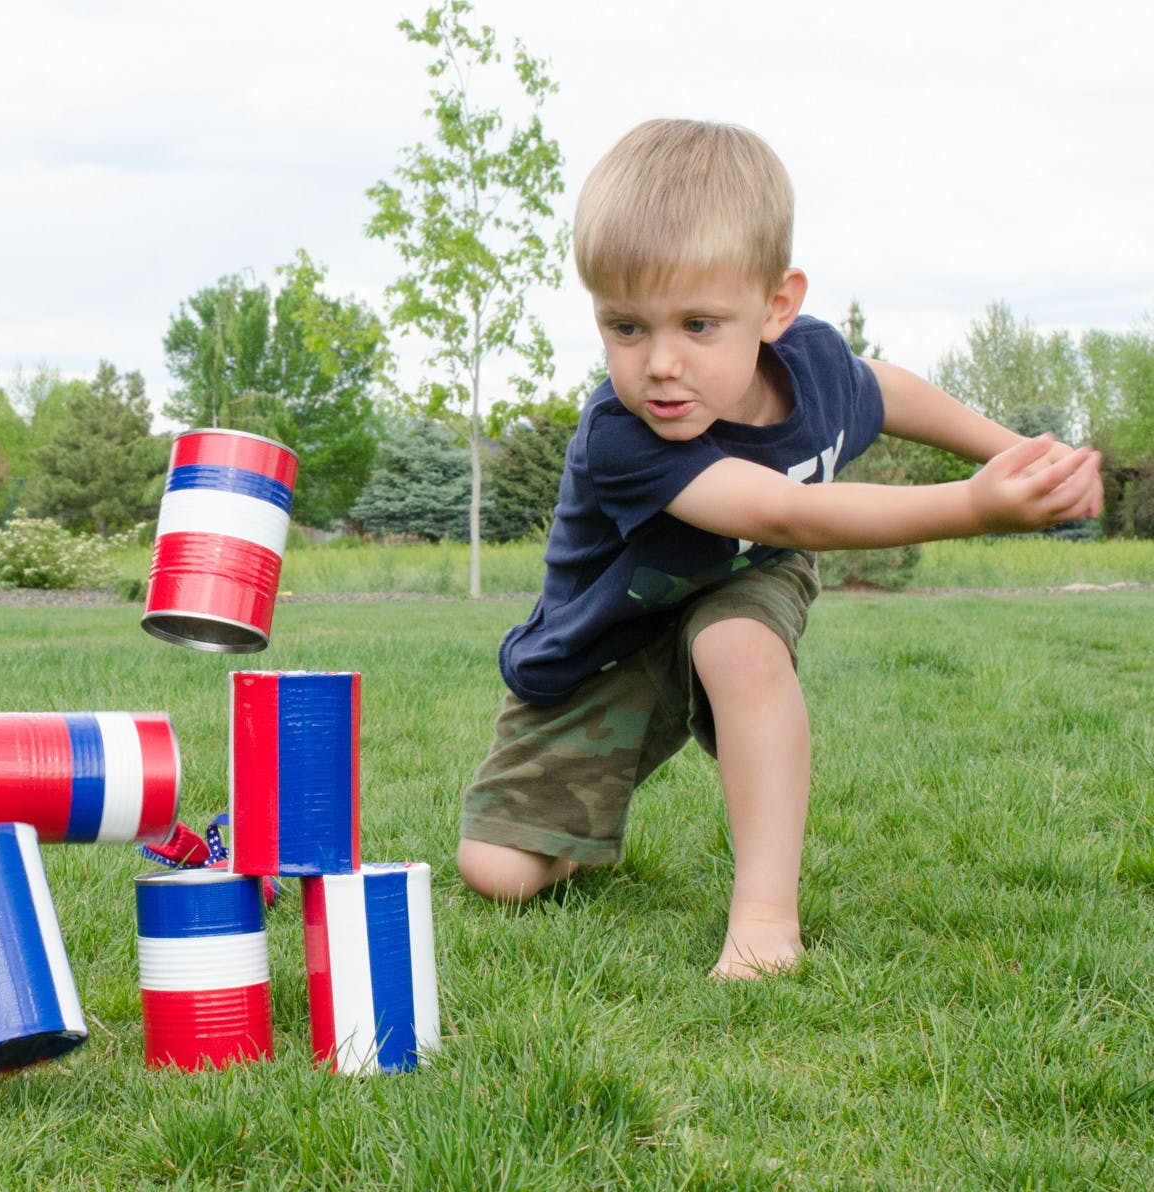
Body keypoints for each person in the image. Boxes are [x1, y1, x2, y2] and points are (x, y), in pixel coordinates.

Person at [455, 118, 1103, 979]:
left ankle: (765, 920)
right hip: (608, 639)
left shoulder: (817, 364)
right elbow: (788, 511)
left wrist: (1008, 452)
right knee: (497, 874)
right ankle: (582, 825)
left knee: (739, 645)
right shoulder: (623, 436)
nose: (659, 364)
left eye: (697, 324)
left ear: (775, 306)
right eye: (626, 328)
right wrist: (977, 507)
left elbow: (887, 392)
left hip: (741, 576)